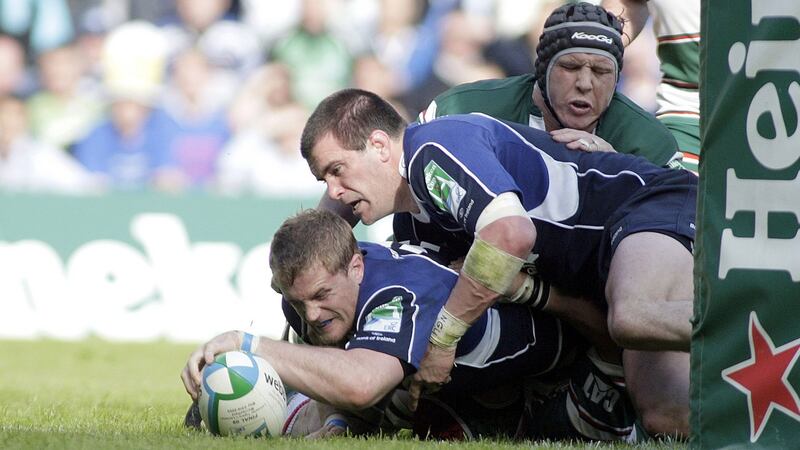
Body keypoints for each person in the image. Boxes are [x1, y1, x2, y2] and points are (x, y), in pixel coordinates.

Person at [305, 89, 695, 438]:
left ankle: (748, 313)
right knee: (668, 416)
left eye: (337, 170)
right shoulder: (415, 224)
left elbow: (510, 233)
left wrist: (443, 340)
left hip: (647, 208)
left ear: (379, 145)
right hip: (600, 275)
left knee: (634, 317)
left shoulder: (430, 148)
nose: (335, 191)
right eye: (325, 181)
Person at [182, 209, 636, 441]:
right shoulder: (309, 301)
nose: (312, 315)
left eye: (322, 296)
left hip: (572, 375)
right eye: (298, 302)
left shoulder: (395, 293)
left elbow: (361, 384)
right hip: (479, 396)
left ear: (355, 268)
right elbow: (348, 386)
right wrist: (342, 419)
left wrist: (247, 344)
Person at [418, 2, 681, 168]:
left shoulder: (650, 144)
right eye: (570, 67)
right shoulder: (463, 108)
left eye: (601, 71)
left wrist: (619, 170)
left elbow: (676, 222)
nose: (585, 83)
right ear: (542, 71)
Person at [602, 0, 701, 173]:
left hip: (755, 105)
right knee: (682, 195)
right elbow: (628, 3)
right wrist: (598, 44)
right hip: (688, 112)